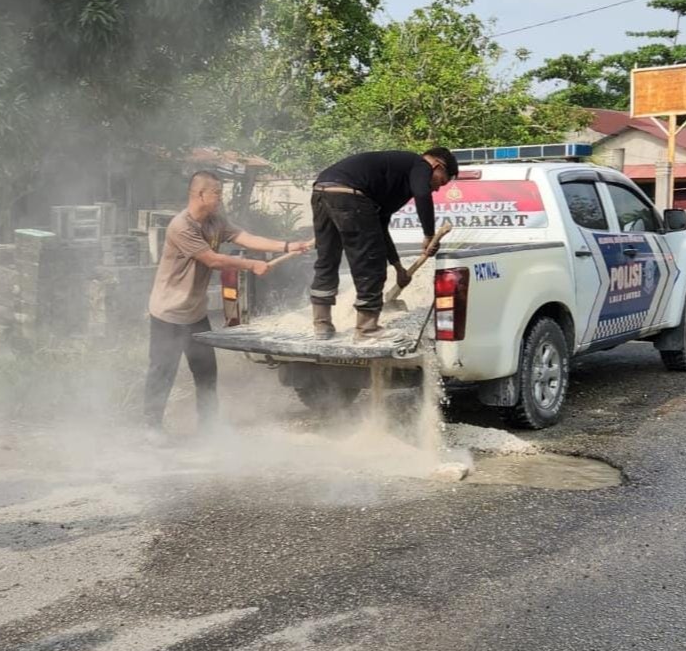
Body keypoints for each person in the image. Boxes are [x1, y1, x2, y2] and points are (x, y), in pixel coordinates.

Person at [144, 170, 310, 437]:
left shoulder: (215, 221)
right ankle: (151, 429)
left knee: (206, 373)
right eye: (217, 193)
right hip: (168, 313)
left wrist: (288, 246)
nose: (221, 198)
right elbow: (213, 260)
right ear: (200, 194)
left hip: (195, 313)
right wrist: (251, 264)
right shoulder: (181, 226)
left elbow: (246, 237)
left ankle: (209, 428)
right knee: (162, 371)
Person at [309, 147, 459, 340]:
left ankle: (321, 325)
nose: (437, 188)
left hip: (322, 190)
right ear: (437, 166)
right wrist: (429, 235)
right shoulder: (420, 164)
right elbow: (422, 194)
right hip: (350, 194)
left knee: (327, 259)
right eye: (441, 181)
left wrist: (398, 268)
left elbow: (380, 229)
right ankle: (367, 329)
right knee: (370, 264)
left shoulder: (390, 181)